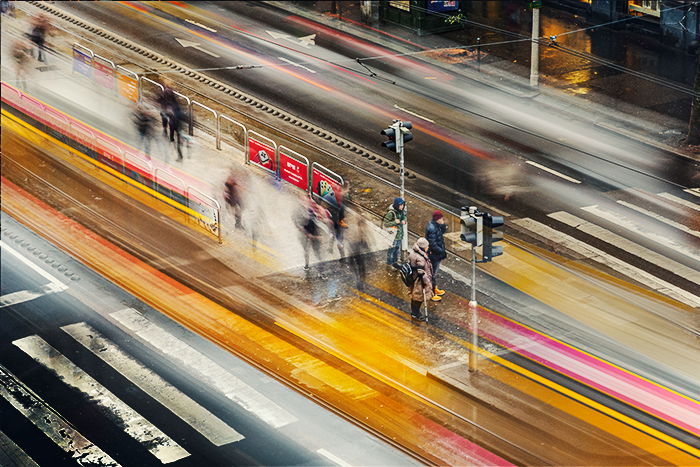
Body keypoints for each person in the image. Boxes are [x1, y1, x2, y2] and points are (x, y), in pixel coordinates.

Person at [408, 237, 433, 322]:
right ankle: (416, 313)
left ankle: (414, 312)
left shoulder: (414, 253)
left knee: (414, 296)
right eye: (427, 246)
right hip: (419, 281)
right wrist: (427, 281)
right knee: (418, 297)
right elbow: (421, 271)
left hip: (414, 278)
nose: (428, 247)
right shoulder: (420, 258)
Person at [425, 210, 447, 302]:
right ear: (437, 219)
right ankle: (432, 293)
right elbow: (432, 244)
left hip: (436, 254)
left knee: (434, 273)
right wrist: (441, 251)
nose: (442, 219)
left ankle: (434, 289)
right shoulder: (432, 228)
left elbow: (441, 233)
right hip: (434, 255)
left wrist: (442, 225)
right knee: (432, 274)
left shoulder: (436, 226)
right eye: (441, 218)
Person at [348, 216, 370, 290]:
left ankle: (360, 282)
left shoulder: (359, 229)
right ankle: (360, 282)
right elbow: (356, 241)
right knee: (360, 268)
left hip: (356, 253)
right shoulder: (356, 230)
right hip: (356, 253)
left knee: (360, 268)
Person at [383, 197, 406, 265]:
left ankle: (395, 263)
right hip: (393, 236)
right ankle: (390, 263)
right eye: (400, 205)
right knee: (391, 251)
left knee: (397, 250)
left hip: (399, 235)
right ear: (396, 205)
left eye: (403, 205)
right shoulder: (391, 213)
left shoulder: (401, 212)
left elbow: (403, 217)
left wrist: (404, 220)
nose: (402, 206)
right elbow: (385, 223)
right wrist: (395, 222)